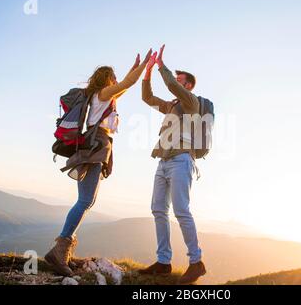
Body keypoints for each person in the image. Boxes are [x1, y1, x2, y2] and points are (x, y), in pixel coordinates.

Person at [44, 49, 152, 276]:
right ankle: (60, 249)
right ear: (109, 80)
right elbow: (128, 83)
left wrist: (136, 67)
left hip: (95, 147)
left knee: (87, 200)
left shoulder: (102, 97)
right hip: (95, 148)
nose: (117, 82)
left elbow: (125, 85)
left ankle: (63, 249)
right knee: (85, 200)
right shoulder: (103, 94)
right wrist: (145, 66)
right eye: (115, 78)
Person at [139, 45, 206, 284]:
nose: (175, 82)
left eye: (180, 80)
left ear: (187, 86)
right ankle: (164, 262)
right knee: (158, 209)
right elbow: (147, 98)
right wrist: (147, 72)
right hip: (164, 162)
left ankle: (196, 262)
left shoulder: (191, 103)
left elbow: (171, 85)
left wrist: (161, 66)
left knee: (181, 211)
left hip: (181, 161)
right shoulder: (171, 106)